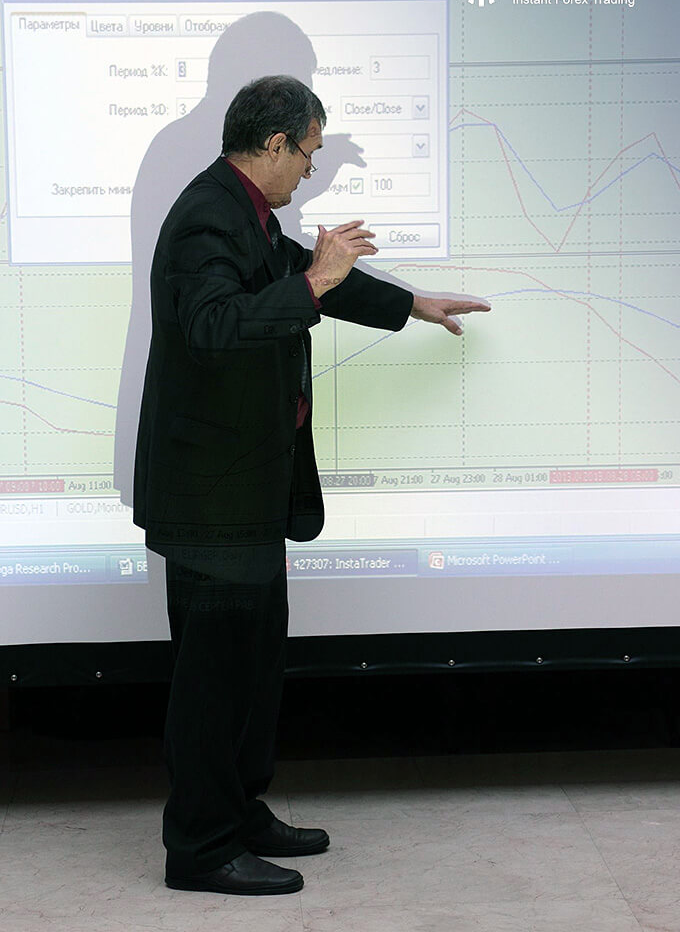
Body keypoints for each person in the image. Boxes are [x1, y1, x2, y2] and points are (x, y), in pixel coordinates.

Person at [133, 75, 491, 897]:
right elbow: (213, 327)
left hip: (248, 491)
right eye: (308, 153)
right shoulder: (204, 218)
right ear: (274, 143)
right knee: (214, 682)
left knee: (253, 672)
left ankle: (239, 812)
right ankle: (200, 848)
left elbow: (300, 272)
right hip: (211, 499)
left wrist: (413, 304)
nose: (309, 171)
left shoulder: (249, 215)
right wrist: (316, 282)